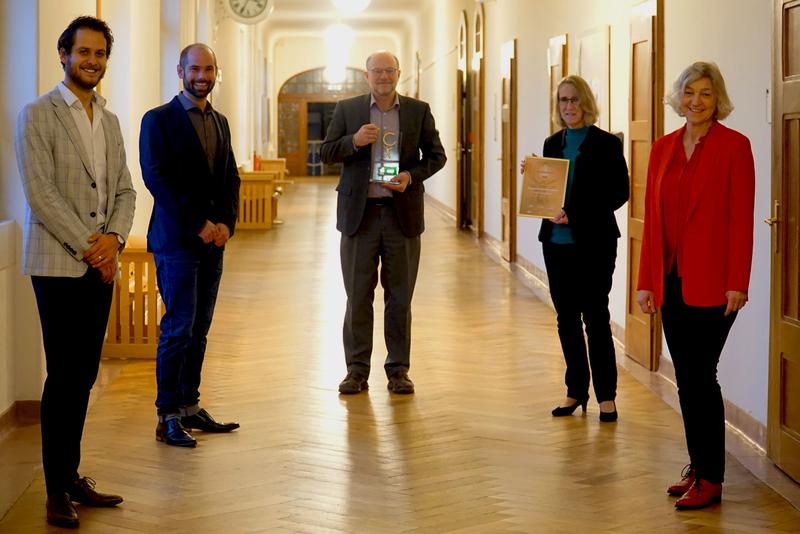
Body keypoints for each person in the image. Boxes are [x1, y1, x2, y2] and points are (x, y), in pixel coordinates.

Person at [14, 15, 136, 528]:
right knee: (64, 375)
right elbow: (40, 193)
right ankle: (54, 490)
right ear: (63, 55)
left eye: (100, 54)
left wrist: (115, 239)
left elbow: (125, 190)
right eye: (83, 52)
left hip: (99, 265)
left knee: (84, 374)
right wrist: (94, 247)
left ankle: (70, 475)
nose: (92, 61)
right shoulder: (37, 114)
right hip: (60, 264)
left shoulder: (107, 119)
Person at [636, 61, 755, 510]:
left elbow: (741, 220)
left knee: (702, 376)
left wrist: (737, 283)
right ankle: (699, 466)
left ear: (717, 98)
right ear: (679, 97)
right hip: (671, 280)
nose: (696, 101)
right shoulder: (664, 148)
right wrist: (646, 281)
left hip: (715, 284)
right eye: (689, 92)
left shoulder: (734, 147)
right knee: (687, 379)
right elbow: (653, 222)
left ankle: (712, 477)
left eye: (705, 93)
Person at [321, 51, 446, 395]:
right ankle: (356, 371)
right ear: (367, 75)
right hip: (359, 218)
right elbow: (327, 151)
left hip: (400, 215)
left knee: (400, 297)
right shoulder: (348, 110)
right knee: (357, 296)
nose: (383, 77)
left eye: (389, 70)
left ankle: (398, 370)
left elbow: (437, 156)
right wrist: (354, 141)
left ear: (398, 73)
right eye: (377, 71)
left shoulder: (417, 111)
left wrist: (410, 175)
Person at [140, 43, 241, 448]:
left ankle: (189, 406)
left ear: (217, 72)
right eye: (195, 69)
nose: (203, 75)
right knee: (177, 329)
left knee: (199, 330)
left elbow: (230, 177)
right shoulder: (159, 120)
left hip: (213, 241)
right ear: (180, 70)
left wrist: (226, 224)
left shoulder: (220, 121)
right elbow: (156, 179)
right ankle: (167, 416)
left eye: (209, 69)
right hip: (177, 240)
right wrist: (197, 223)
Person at [521, 75, 629, 422]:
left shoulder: (607, 144)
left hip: (595, 243)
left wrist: (576, 214)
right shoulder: (552, 143)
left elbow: (618, 193)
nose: (569, 107)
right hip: (556, 244)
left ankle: (607, 397)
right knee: (566, 319)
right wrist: (533, 175)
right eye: (563, 100)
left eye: (575, 100)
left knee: (595, 317)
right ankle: (575, 390)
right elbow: (548, 189)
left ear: (586, 103)